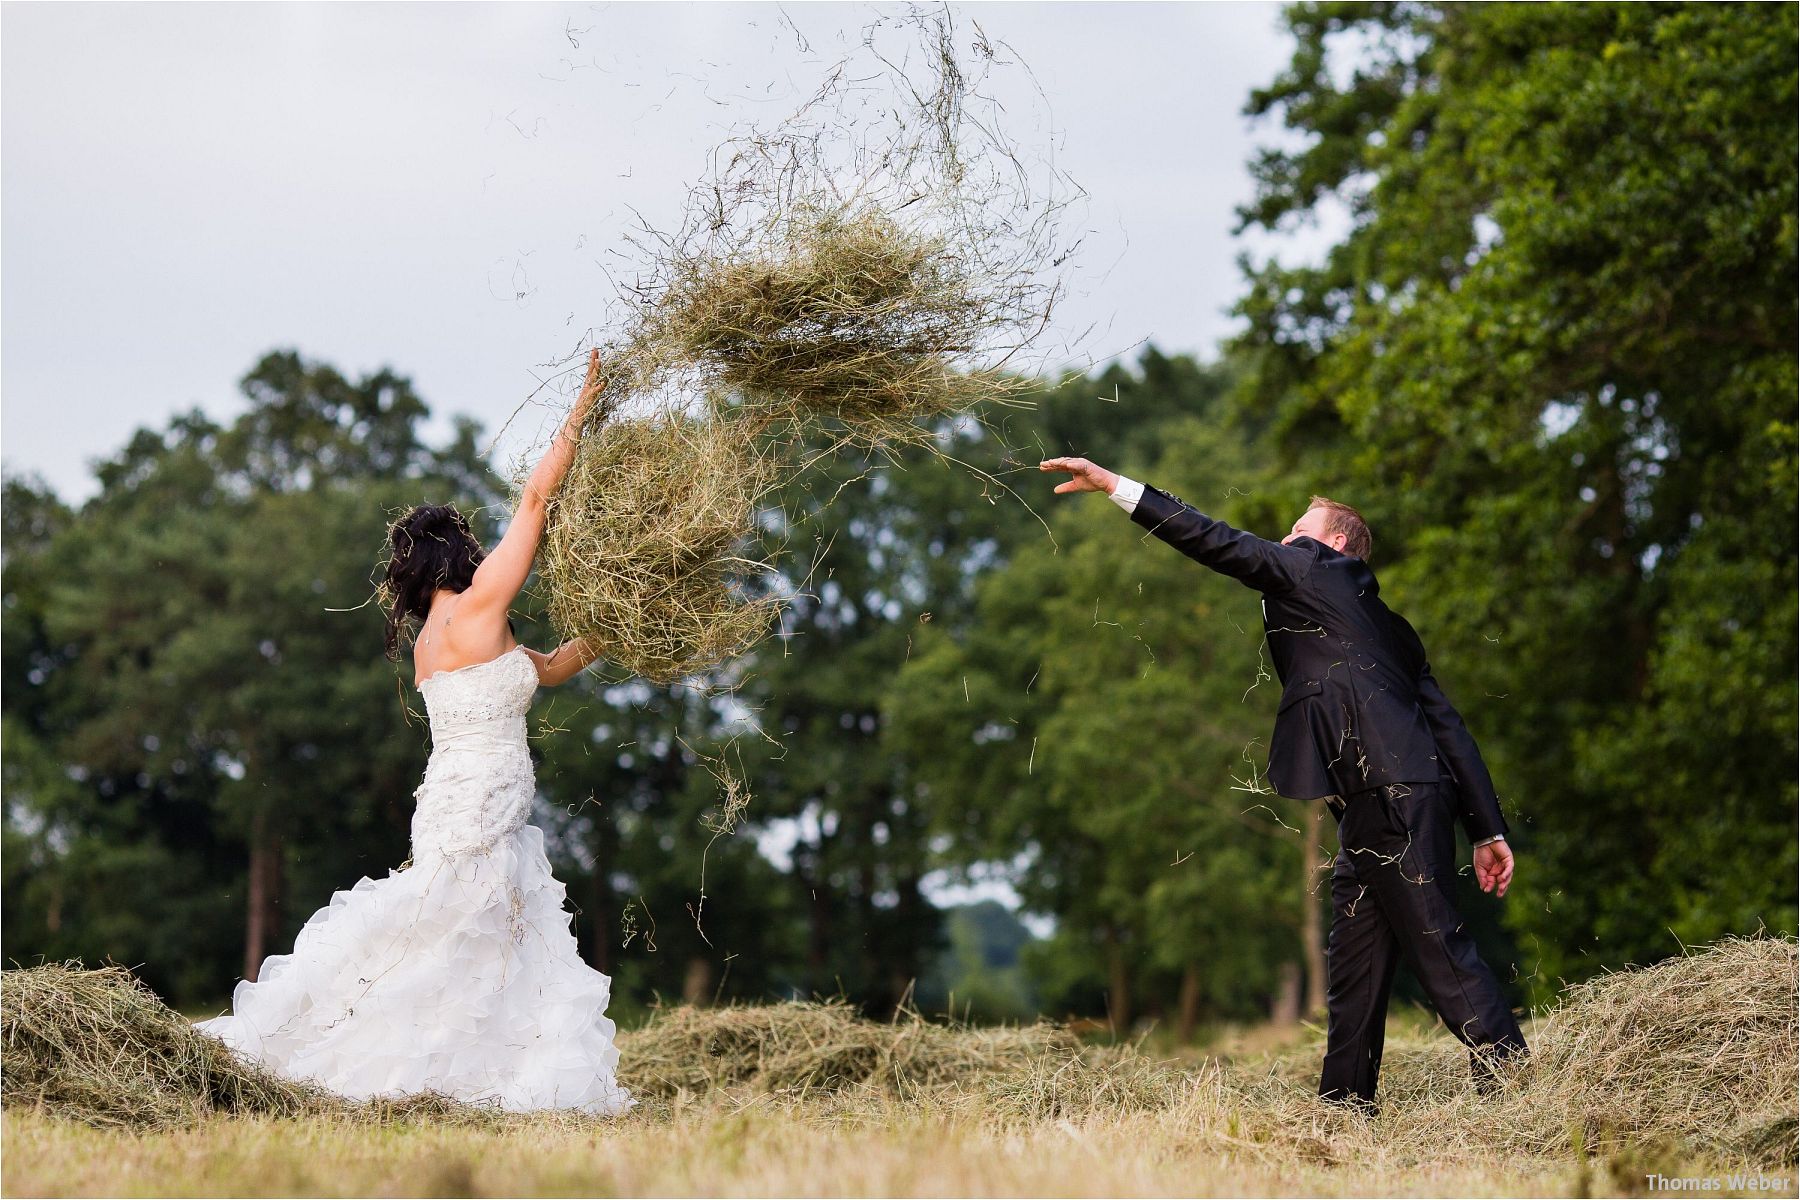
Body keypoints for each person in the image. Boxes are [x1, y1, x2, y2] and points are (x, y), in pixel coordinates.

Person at [198, 349, 633, 1116]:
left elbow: (554, 667)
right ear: (457, 556)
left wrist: (629, 621)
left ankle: (461, 1074)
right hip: (476, 804)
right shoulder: (475, 611)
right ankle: (425, 1075)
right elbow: (535, 502)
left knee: (465, 936)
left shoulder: (441, 640)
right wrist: (580, 412)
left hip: (460, 800)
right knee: (460, 930)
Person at [1039, 455, 1529, 1110]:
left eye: (1300, 526)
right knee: (1356, 965)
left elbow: (1216, 540)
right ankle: (1344, 1107)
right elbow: (1451, 731)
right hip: (1388, 797)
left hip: (1389, 789)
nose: (1285, 536)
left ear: (1334, 543)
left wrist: (1116, 486)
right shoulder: (1391, 628)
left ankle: (1519, 1091)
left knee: (1439, 946)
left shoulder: (1310, 569)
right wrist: (1487, 827)